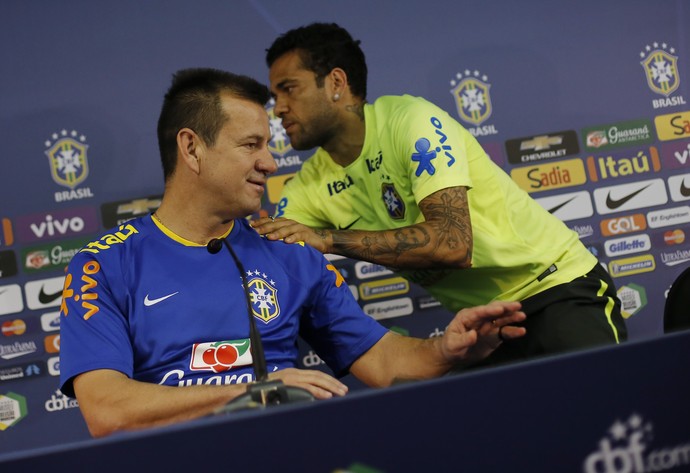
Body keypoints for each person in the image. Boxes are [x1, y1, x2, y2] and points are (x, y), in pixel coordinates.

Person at [58, 68, 526, 438]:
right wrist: (255, 391)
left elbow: (383, 361)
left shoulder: (287, 249)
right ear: (191, 148)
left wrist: (448, 349)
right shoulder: (105, 264)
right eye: (251, 145)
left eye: (268, 144)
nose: (270, 161)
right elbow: (107, 411)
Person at [254, 22, 627, 367]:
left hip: (556, 289)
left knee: (607, 420)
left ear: (336, 82)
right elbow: (274, 257)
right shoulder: (306, 187)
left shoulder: (410, 121)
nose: (279, 109)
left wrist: (328, 239)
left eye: (289, 89)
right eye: (274, 96)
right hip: (484, 327)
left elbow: (452, 243)